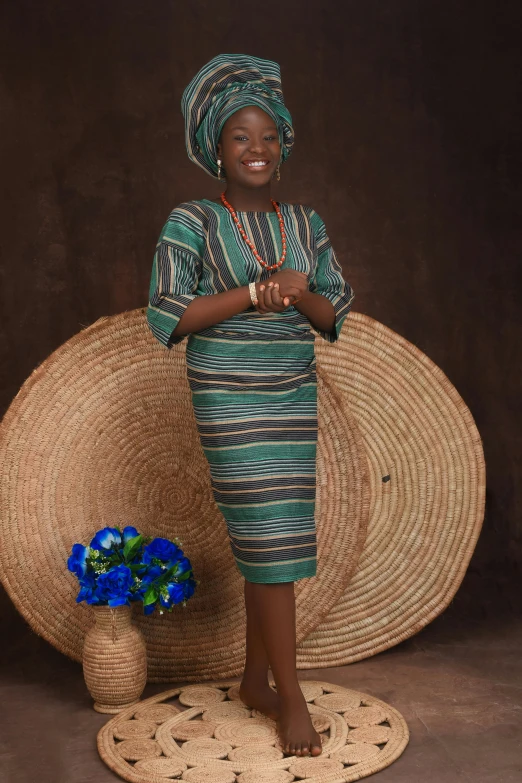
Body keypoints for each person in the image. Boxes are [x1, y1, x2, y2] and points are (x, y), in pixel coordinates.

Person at [146, 53, 355, 757]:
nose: (257, 149)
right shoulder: (193, 220)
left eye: (269, 135)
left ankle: (252, 678)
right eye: (240, 136)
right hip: (229, 397)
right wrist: (252, 294)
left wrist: (298, 289)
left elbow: (333, 315)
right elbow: (169, 314)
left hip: (292, 391)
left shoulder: (307, 222)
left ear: (284, 142)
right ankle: (290, 697)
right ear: (215, 147)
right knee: (267, 539)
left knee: (279, 538)